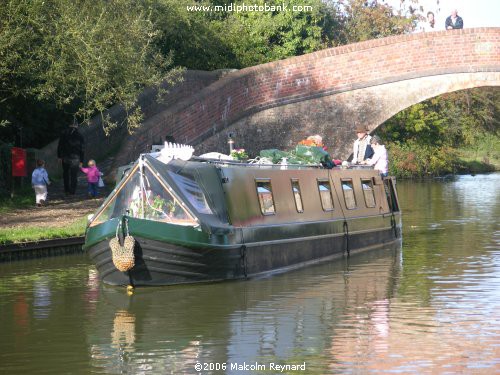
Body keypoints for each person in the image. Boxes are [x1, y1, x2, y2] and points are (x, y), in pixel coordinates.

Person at [57, 120, 84, 195]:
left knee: (66, 173)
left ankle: (66, 190)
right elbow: (82, 149)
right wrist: (81, 160)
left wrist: (59, 156)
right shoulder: (80, 135)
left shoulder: (63, 134)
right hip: (76, 157)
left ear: (69, 125)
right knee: (74, 175)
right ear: (76, 125)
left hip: (65, 157)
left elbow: (60, 146)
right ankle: (72, 190)